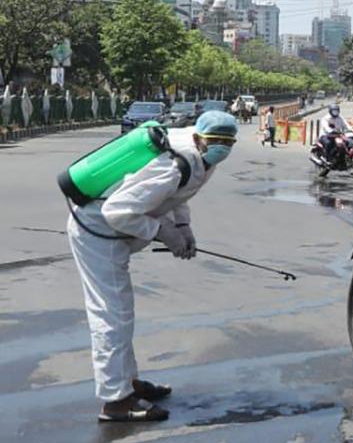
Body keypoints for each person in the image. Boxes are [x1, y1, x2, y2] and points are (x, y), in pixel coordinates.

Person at [67, 111, 239, 422]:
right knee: (112, 316)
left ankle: (128, 383)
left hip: (112, 229)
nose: (222, 148)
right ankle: (116, 402)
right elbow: (116, 211)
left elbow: (175, 194)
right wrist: (163, 232)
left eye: (228, 143)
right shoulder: (177, 162)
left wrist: (183, 226)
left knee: (121, 314)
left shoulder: (200, 155)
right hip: (96, 231)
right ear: (199, 137)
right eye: (216, 141)